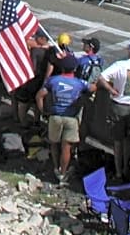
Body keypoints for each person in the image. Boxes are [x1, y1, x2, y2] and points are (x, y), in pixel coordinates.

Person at [97, 40, 130, 179]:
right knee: (128, 141)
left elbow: (102, 78)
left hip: (119, 105)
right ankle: (126, 168)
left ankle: (118, 171)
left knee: (118, 142)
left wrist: (111, 89)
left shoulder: (120, 65)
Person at [35, 55, 89, 184]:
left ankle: (55, 167)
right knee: (66, 147)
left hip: (55, 116)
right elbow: (92, 87)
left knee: (54, 143)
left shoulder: (53, 80)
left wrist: (43, 111)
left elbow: (39, 96)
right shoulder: (79, 83)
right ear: (75, 69)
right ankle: (63, 173)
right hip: (71, 118)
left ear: (62, 67)